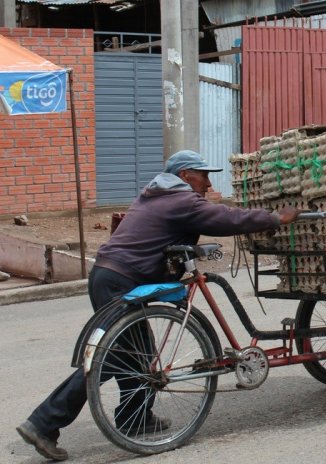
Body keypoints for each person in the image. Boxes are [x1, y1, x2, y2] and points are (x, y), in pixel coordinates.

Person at [17, 150, 300, 461]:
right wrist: (274, 218)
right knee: (112, 357)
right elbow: (225, 218)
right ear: (184, 176)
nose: (208, 182)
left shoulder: (155, 194)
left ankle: (134, 417)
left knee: (138, 352)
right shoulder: (182, 201)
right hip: (121, 279)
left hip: (109, 274)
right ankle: (43, 423)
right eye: (202, 175)